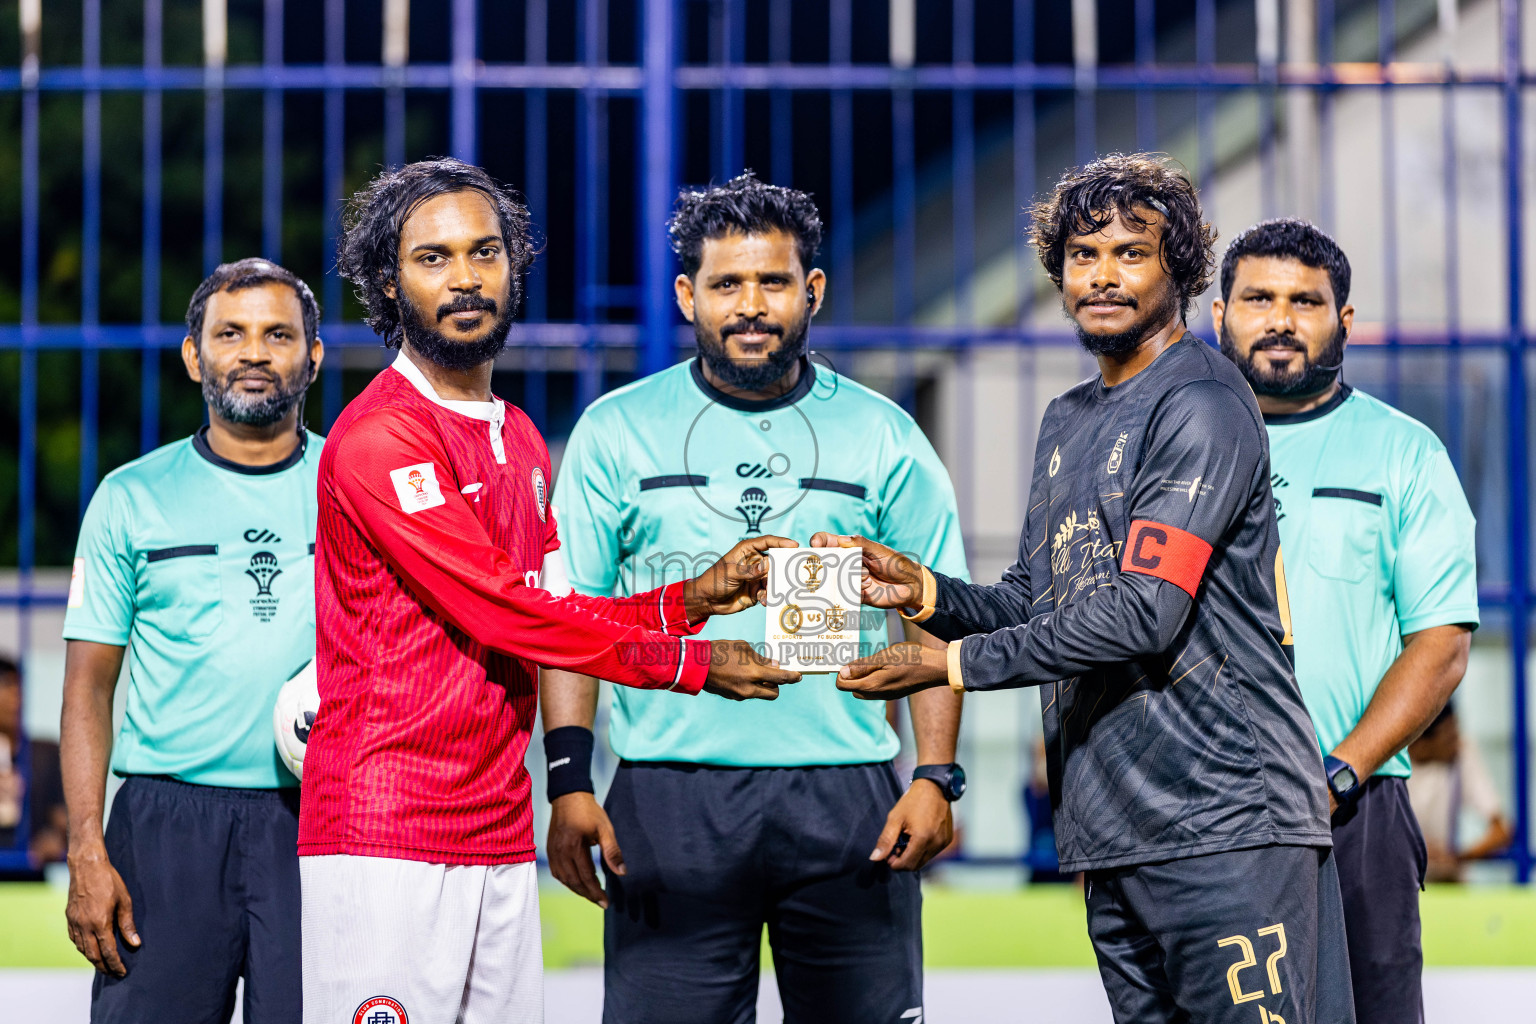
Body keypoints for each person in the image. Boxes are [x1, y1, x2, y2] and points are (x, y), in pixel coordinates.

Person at [824, 154, 1353, 1024]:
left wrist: (950, 665)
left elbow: (1145, 612)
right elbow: (1041, 598)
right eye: (1081, 255)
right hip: (1113, 829)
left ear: (1177, 270)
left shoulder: (1204, 401)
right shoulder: (1067, 419)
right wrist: (921, 591)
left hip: (1227, 822)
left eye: (1129, 254)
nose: (1102, 276)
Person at [301, 158, 799, 1024]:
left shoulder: (522, 437)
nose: (465, 278)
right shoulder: (380, 437)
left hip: (495, 829)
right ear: (389, 283)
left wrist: (691, 598)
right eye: (433, 258)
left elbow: (556, 604)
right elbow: (506, 610)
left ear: (513, 266)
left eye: (485, 252)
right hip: (388, 831)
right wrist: (686, 662)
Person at [542, 172, 969, 1024]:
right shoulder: (616, 430)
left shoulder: (883, 432)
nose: (749, 305)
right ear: (685, 295)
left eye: (772, 282)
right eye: (725, 284)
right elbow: (571, 621)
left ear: (811, 291)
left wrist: (934, 776)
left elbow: (935, 612)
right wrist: (567, 782)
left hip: (846, 795)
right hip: (669, 798)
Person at [1212, 217, 1478, 1022]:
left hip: (1354, 810)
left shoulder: (1405, 452)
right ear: (1219, 315)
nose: (1281, 319)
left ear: (1345, 321)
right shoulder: (1179, 448)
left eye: (1306, 301)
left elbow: (1441, 644)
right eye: (1258, 299)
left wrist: (1339, 770)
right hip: (1207, 808)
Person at [59, 258, 325, 1023]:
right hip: (164, 829)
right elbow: (86, 688)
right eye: (230, 333)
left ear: (311, 355)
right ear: (193, 354)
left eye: (278, 335)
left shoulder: (356, 489)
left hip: (318, 818)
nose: (253, 352)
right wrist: (86, 845)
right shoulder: (131, 496)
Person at [1409, 703, 1511, 882]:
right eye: (1449, 737)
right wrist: (1418, 849)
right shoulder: (1390, 762)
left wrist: (1457, 858)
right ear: (1420, 743)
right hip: (1403, 882)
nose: (1456, 743)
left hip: (1446, 884)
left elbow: (1501, 830)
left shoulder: (1462, 754)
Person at [0, 656, 67, 868]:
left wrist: (54, 839)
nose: (13, 697)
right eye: (5, 686)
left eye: (16, 686)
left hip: (31, 881)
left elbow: (65, 824)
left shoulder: (44, 754)